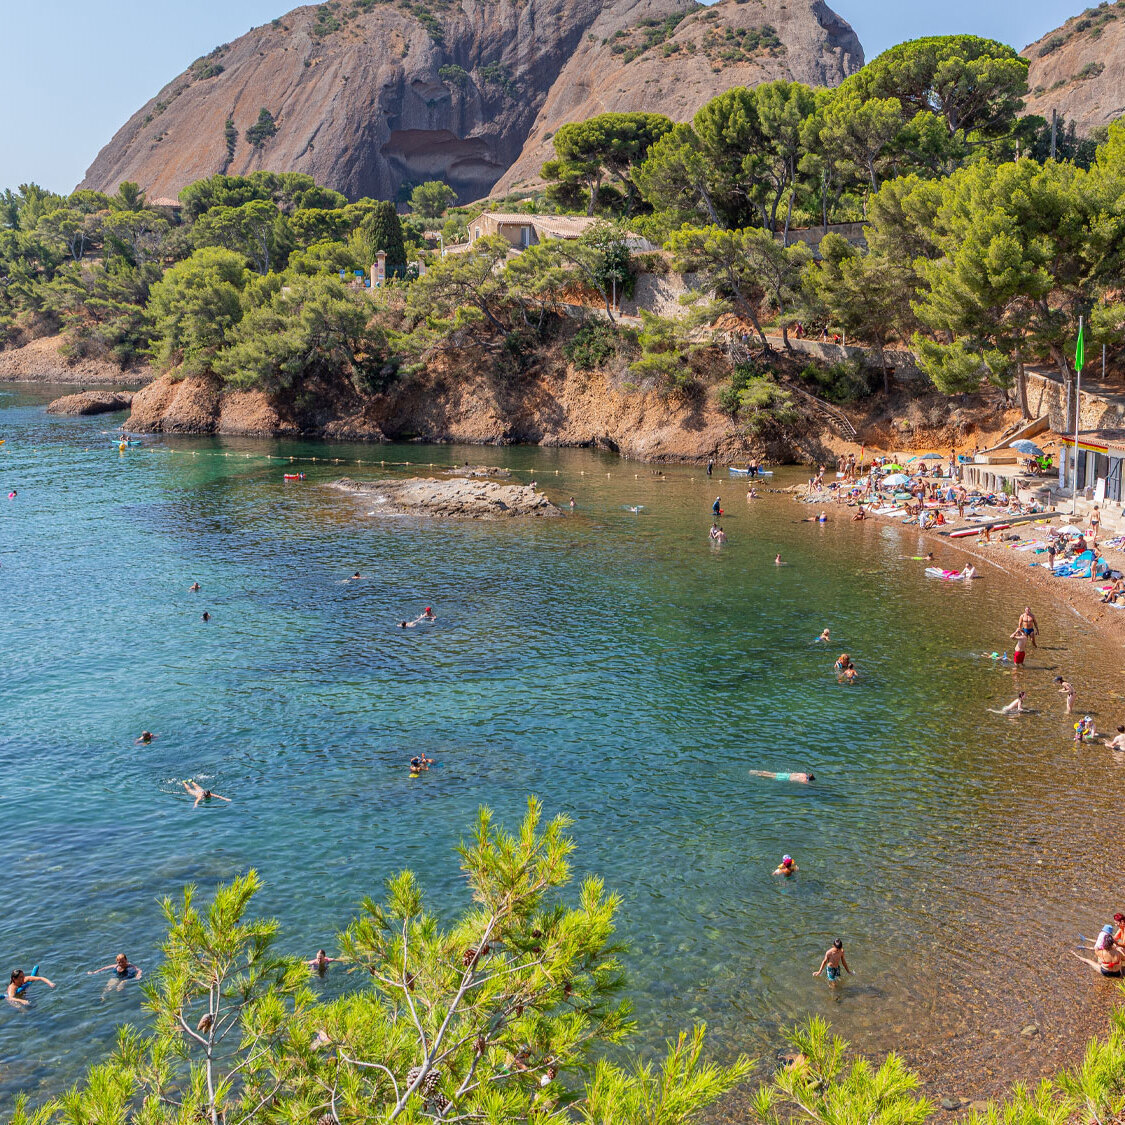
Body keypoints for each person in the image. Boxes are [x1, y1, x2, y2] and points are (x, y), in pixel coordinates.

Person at [749, 770, 814, 783]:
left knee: (772, 773)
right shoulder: (805, 781)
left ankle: (756, 771)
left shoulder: (803, 774)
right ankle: (759, 775)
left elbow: (794, 773)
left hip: (787, 774)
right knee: (771, 777)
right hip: (786, 778)